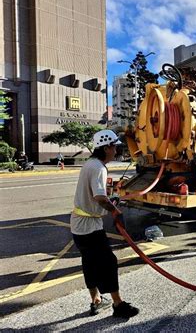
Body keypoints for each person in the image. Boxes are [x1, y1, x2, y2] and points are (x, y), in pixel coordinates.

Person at [71, 130, 139, 318]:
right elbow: (100, 197)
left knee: (89, 262)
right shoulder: (99, 168)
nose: (116, 150)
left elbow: (98, 197)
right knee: (108, 262)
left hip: (78, 225)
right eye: (115, 146)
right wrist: (114, 210)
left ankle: (96, 300)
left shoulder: (90, 164)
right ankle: (118, 304)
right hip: (90, 226)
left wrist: (111, 201)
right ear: (107, 147)